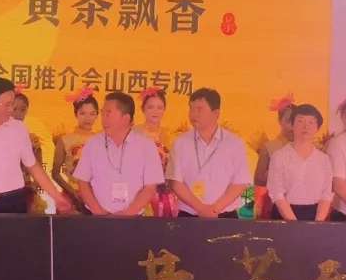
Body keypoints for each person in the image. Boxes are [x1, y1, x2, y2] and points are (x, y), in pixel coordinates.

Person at [0, 77, 71, 213]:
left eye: (13, 104)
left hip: (13, 202)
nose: (11, 109)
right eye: (7, 104)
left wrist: (56, 196)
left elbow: (32, 166)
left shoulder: (19, 129)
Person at [73, 92, 164, 215]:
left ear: (125, 118)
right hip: (96, 217)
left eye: (108, 114)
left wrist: (128, 213)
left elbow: (150, 187)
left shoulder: (146, 146)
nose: (103, 118)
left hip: (132, 218)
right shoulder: (93, 143)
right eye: (102, 113)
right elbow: (83, 182)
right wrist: (99, 213)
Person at [167, 88, 251, 218]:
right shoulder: (180, 142)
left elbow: (239, 182)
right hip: (189, 214)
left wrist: (215, 209)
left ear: (216, 113)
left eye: (200, 109)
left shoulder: (234, 143)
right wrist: (201, 208)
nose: (194, 114)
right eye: (191, 108)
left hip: (225, 215)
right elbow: (175, 182)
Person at [267, 104, 334, 221]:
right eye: (300, 121)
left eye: (311, 122)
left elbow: (326, 194)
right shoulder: (279, 156)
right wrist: (294, 224)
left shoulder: (324, 159)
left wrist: (317, 223)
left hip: (314, 216)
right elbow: (276, 193)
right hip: (284, 216)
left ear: (317, 128)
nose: (306, 126)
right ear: (292, 125)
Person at [51, 87, 98, 213]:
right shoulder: (64, 140)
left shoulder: (103, 140)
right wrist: (73, 192)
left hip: (97, 197)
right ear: (75, 114)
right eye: (83, 113)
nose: (87, 118)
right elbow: (55, 173)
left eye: (92, 113)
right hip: (71, 196)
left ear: (97, 115)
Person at [133, 86, 177, 217]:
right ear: (143, 109)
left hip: (164, 192)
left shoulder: (169, 135)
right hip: (138, 191)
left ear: (164, 109)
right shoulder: (134, 133)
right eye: (150, 107)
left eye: (159, 107)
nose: (155, 112)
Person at [13, 90, 48, 213]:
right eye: (14, 109)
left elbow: (39, 170)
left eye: (22, 110)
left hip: (26, 190)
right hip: (3, 192)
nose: (18, 114)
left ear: (27, 111)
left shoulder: (32, 139)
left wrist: (34, 186)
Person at [254, 98, 295, 187]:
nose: (292, 126)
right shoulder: (267, 148)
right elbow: (258, 181)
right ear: (279, 120)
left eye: (295, 121)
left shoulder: (305, 148)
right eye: (288, 121)